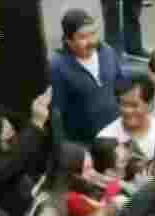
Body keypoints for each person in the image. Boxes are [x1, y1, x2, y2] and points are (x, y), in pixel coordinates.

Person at [51, 10, 123, 147]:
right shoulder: (58, 67)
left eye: (93, 34)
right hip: (85, 145)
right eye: (83, 37)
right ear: (69, 41)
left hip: (115, 136)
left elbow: (120, 88)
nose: (91, 41)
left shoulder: (107, 52)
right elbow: (56, 113)